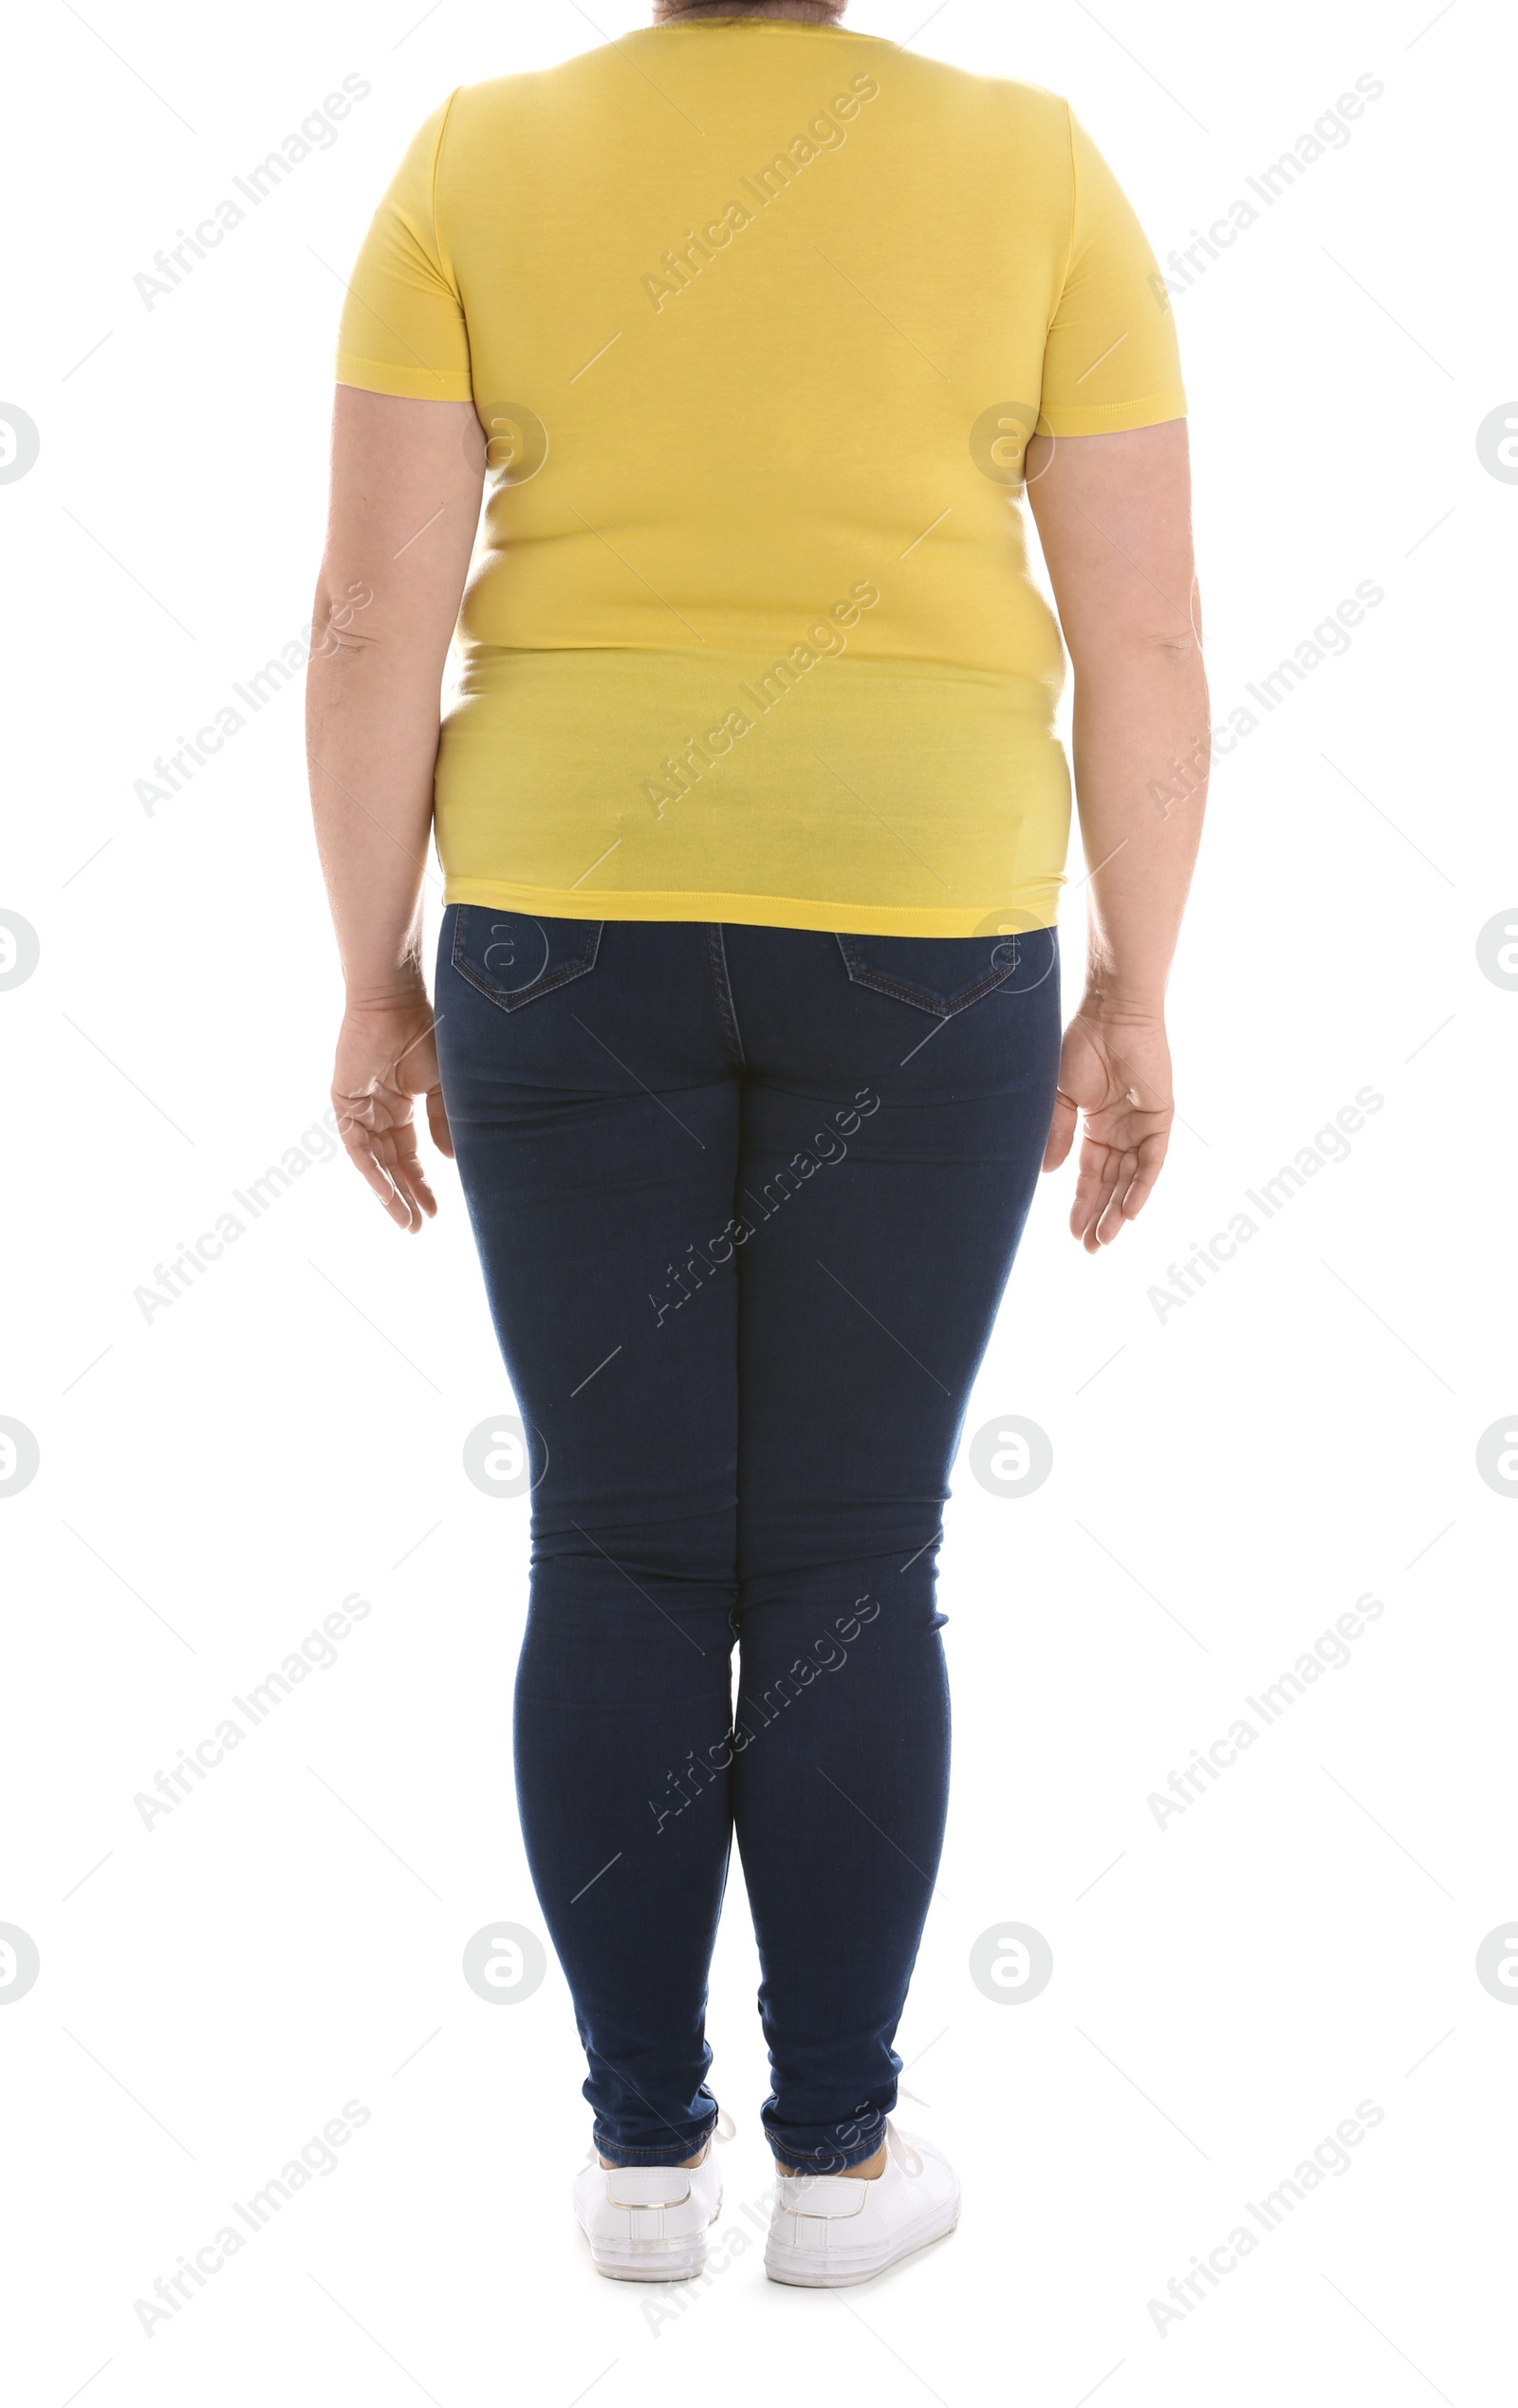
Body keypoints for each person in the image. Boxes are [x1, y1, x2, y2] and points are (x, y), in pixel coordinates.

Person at [306, 0, 1206, 2289]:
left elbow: (366, 622)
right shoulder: (1030, 162)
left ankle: (634, 2169)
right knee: (837, 1565)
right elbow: (1146, 629)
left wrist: (366, 967)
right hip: (920, 929)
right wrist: (1138, 985)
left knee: (612, 1554)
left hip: (559, 932)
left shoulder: (477, 155)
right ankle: (832, 2167)